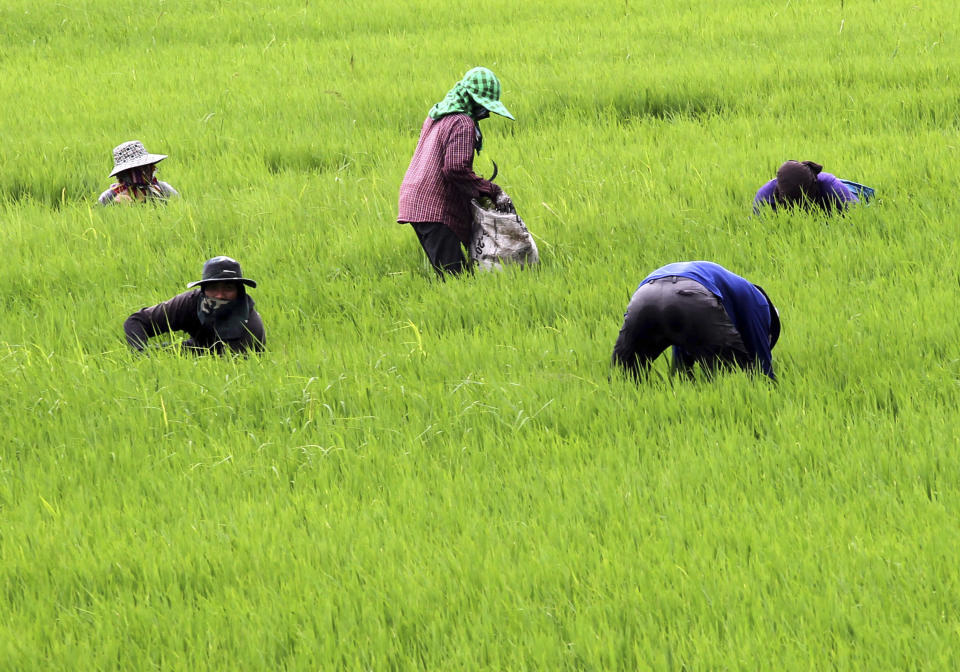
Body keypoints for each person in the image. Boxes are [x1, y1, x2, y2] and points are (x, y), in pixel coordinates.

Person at [397, 67, 515, 276]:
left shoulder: (439, 114)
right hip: (434, 208)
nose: (486, 113)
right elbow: (455, 169)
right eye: (483, 106)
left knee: (449, 274)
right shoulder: (462, 122)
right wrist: (492, 190)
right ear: (471, 98)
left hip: (415, 201)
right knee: (455, 278)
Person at [612, 261, 781, 381]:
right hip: (692, 294)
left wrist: (683, 377)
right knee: (737, 378)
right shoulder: (760, 304)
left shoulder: (735, 291)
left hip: (645, 295)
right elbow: (761, 369)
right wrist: (769, 386)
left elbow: (684, 340)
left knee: (623, 378)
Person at [124, 256, 265, 355]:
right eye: (213, 288)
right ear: (203, 290)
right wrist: (140, 354)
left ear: (239, 291)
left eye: (228, 288)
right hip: (196, 349)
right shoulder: (190, 302)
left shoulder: (251, 328)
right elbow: (137, 321)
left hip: (224, 362)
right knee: (157, 354)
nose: (220, 295)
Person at [753, 160, 858, 214]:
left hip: (849, 192)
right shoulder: (764, 197)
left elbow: (858, 213)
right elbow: (755, 229)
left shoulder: (831, 186)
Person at [99, 140, 179, 205]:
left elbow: (179, 206)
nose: (149, 170)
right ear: (125, 173)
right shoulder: (110, 195)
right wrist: (115, 205)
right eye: (141, 168)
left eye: (147, 166)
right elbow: (97, 214)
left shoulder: (162, 189)